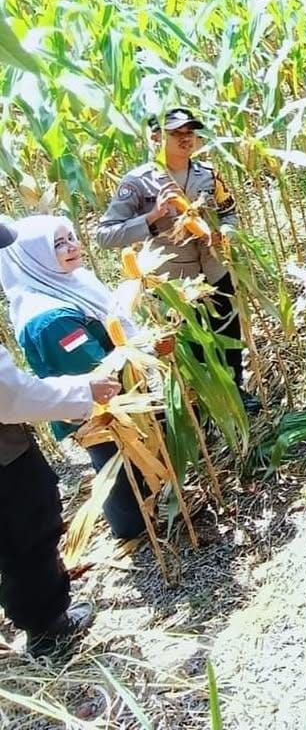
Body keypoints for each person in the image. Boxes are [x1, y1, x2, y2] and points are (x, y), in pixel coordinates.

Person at [0, 221, 122, 659]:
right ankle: (46, 629)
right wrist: (83, 393)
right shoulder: (48, 318)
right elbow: (8, 395)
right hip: (6, 453)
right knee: (27, 528)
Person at [0, 215, 153, 540]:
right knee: (113, 463)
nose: (73, 246)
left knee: (133, 460)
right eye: (59, 244)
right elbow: (88, 368)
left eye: (71, 237)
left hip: (110, 397)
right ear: (33, 257)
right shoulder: (47, 318)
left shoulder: (71, 281)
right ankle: (131, 525)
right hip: (95, 411)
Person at [97, 108, 259, 412]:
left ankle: (236, 394)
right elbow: (106, 235)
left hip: (213, 270)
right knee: (190, 346)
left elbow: (229, 212)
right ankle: (201, 406)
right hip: (173, 282)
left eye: (190, 133)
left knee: (227, 335)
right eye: (177, 133)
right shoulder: (138, 182)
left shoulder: (208, 174)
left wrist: (225, 232)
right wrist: (152, 216)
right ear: (156, 137)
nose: (186, 139)